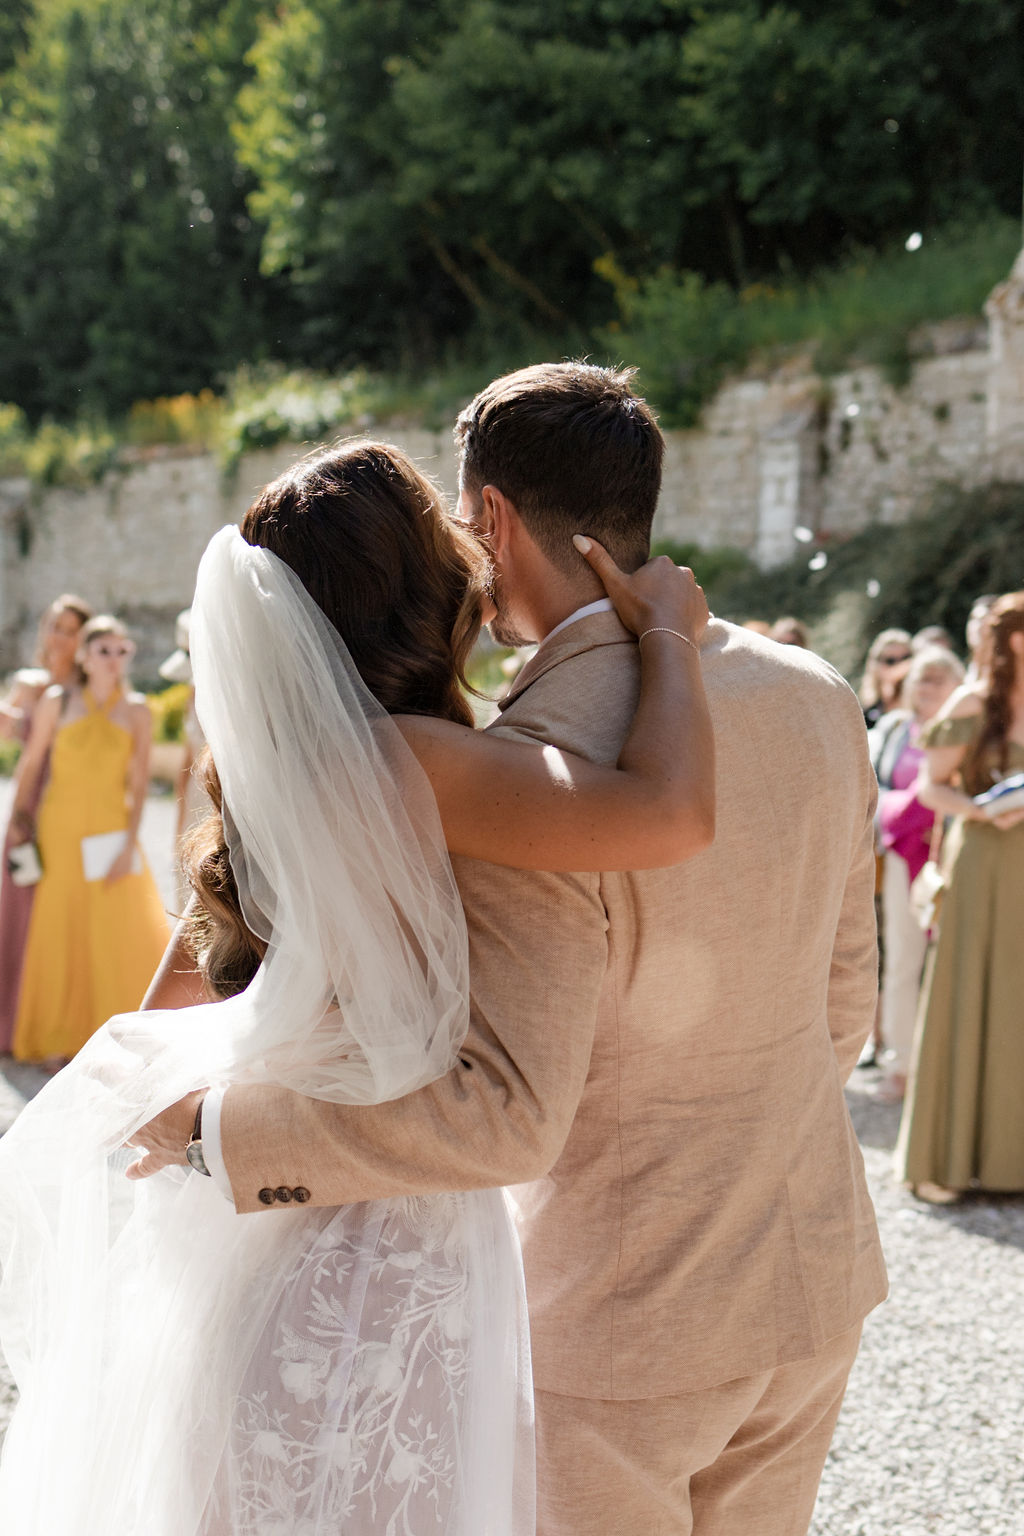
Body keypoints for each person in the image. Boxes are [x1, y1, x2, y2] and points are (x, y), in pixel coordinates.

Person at [131, 364, 886, 1536]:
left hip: (614, 1323)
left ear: (489, 516)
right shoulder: (814, 693)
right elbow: (843, 1007)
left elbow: (503, 1112)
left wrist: (213, 1136)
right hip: (811, 1282)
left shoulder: (522, 768)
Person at [0, 434, 714, 1534]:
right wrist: (669, 639)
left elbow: (164, 1009)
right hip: (389, 1248)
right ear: (414, 589)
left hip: (251, 1247)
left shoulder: (274, 775)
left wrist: (203, 1121)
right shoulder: (422, 764)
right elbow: (668, 815)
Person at [895, 592, 1024, 1201]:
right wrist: (981, 809)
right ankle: (946, 1158)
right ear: (1015, 641)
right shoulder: (972, 702)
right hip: (983, 863)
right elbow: (931, 787)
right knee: (970, 989)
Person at [10, 615, 170, 1065]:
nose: (114, 659)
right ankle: (59, 1037)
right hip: (59, 830)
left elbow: (140, 785)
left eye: (123, 651)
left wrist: (129, 844)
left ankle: (117, 1037)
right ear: (84, 656)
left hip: (111, 834)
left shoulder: (138, 710)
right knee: (60, 929)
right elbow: (31, 762)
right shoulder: (58, 701)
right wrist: (19, 818)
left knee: (114, 932)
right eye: (104, 650)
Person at [869, 647, 964, 1101]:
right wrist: (905, 808)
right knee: (903, 961)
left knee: (951, 964)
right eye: (922, 678)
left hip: (952, 858)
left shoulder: (969, 731)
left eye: (939, 678)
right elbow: (875, 787)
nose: (928, 687)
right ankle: (900, 1064)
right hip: (901, 859)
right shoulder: (894, 730)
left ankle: (951, 1068)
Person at [0, 594, 92, 1051]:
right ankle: (12, 1019)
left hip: (68, 805)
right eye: (54, 626)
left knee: (56, 911)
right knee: (17, 903)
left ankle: (51, 1017)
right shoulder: (28, 684)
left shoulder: (88, 688)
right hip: (27, 800)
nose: (59, 637)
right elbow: (8, 743)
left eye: (70, 630)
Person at [157, 607, 209, 907]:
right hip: (193, 799)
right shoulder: (192, 692)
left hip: (218, 800)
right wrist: (178, 829)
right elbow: (186, 761)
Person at [858, 627, 913, 727]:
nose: (899, 665)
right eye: (890, 661)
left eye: (906, 658)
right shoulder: (867, 714)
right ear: (876, 664)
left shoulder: (920, 705)